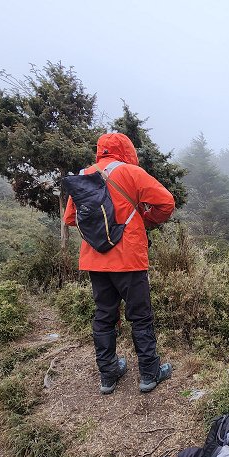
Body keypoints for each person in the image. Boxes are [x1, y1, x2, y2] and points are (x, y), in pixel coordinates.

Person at [63, 133, 175, 395]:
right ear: (126, 149)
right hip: (129, 259)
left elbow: (70, 218)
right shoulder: (131, 172)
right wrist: (145, 220)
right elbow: (166, 203)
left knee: (104, 315)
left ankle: (108, 375)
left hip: (95, 259)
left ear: (100, 150)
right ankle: (149, 373)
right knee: (140, 316)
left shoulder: (85, 175)